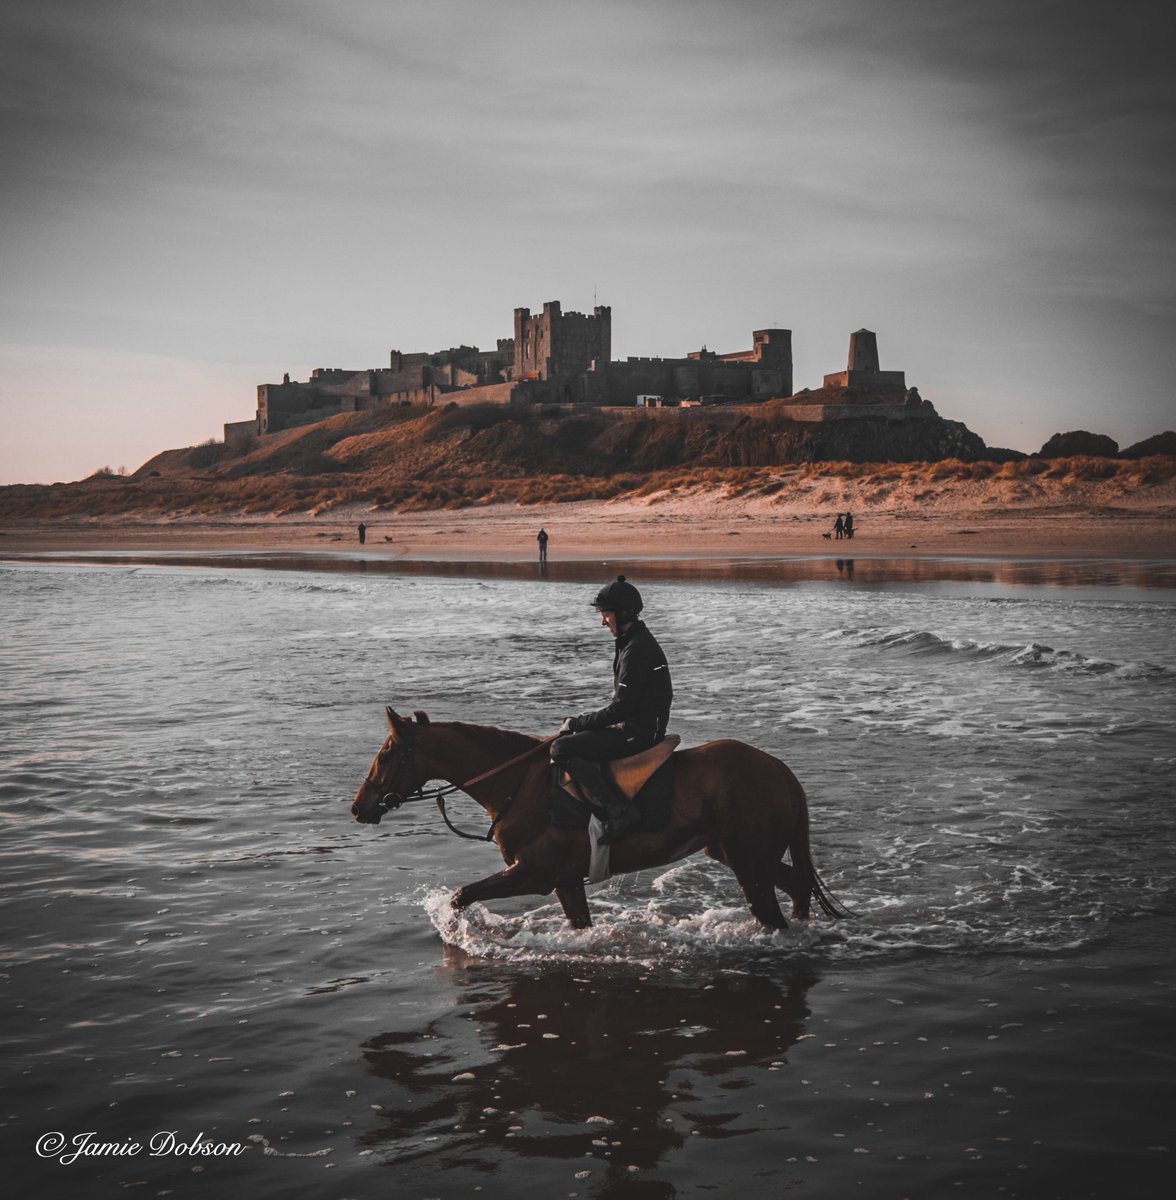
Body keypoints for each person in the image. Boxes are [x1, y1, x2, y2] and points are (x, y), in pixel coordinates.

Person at [551, 575, 673, 844]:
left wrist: (577, 723)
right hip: (637, 724)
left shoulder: (636, 649)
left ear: (624, 613)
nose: (602, 621)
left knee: (561, 749)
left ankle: (620, 809)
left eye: (606, 614)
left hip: (638, 733)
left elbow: (621, 708)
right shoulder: (633, 641)